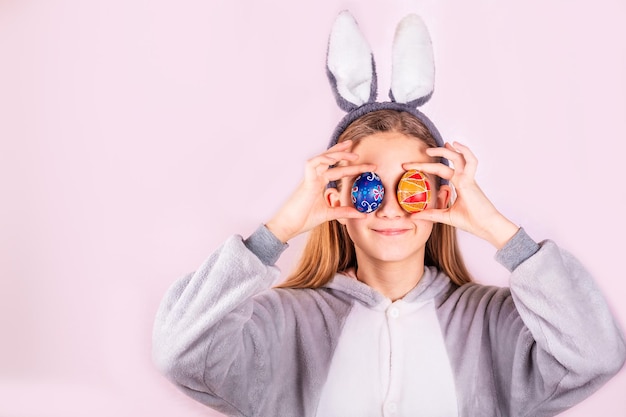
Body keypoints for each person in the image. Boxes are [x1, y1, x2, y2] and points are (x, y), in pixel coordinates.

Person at [152, 11, 626, 417]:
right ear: (334, 200)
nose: (393, 207)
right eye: (367, 187)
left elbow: (596, 355)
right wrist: (280, 229)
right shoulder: (282, 323)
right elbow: (180, 352)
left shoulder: (493, 324)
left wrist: (498, 231)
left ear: (444, 196)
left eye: (415, 185)